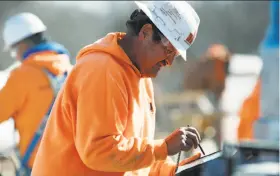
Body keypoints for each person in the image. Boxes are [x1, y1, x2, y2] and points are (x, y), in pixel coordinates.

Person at [32, 1, 202, 175]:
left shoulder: (142, 79)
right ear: (146, 33)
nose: (170, 62)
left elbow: (136, 159)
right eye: (169, 51)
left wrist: (174, 171)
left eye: (175, 55)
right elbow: (98, 151)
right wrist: (164, 148)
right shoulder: (102, 69)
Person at [0, 12, 72, 174]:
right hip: (71, 163)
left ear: (22, 45)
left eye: (14, 51)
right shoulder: (69, 69)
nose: (16, 57)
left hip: (39, 164)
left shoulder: (23, 75)